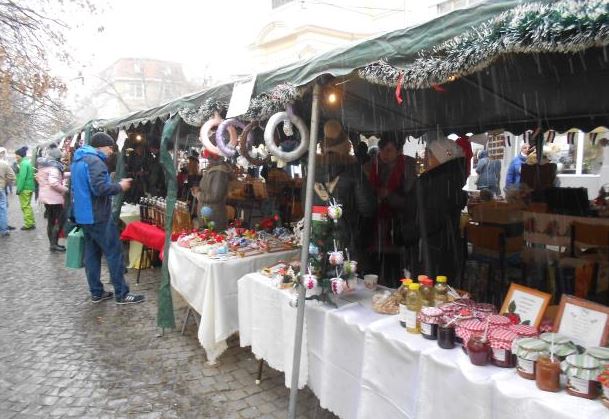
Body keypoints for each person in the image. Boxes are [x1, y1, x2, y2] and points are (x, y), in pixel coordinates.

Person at [71, 132, 144, 304]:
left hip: (83, 215)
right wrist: (120, 186)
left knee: (92, 255)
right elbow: (100, 189)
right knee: (114, 252)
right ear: (101, 146)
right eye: (110, 147)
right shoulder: (95, 161)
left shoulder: (78, 161)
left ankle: (96, 292)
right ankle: (122, 294)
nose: (111, 151)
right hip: (98, 215)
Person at [307, 120, 375, 270]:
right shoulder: (354, 170)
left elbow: (306, 206)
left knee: (316, 281)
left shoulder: (311, 171)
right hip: (346, 241)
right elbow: (368, 208)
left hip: (316, 241)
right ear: (346, 146)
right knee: (348, 286)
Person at [365, 136, 417, 287]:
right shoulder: (372, 166)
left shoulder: (408, 167)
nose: (384, 154)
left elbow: (410, 201)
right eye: (382, 150)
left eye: (389, 150)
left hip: (398, 225)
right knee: (376, 265)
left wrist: (389, 195)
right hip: (376, 225)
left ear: (399, 151)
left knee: (394, 268)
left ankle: (394, 290)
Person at [36, 147, 68, 251]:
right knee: (61, 220)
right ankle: (54, 244)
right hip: (54, 198)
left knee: (51, 221)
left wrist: (71, 174)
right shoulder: (54, 167)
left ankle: (52, 244)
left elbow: (54, 177)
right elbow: (54, 182)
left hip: (45, 197)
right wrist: (66, 190)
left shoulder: (44, 166)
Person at [198, 149, 233, 231]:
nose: (208, 160)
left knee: (213, 240)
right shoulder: (212, 171)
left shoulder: (219, 173)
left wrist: (198, 194)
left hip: (213, 217)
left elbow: (215, 196)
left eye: (209, 158)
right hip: (208, 215)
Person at [15, 146, 36, 230]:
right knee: (28, 206)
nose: (15, 157)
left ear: (20, 155)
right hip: (29, 187)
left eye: (16, 155)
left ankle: (28, 224)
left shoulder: (23, 164)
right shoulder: (27, 162)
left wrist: (18, 189)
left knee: (25, 206)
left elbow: (22, 178)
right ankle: (31, 222)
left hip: (24, 188)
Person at [0, 149, 16, 237]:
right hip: (0, 188)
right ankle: (4, 229)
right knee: (2, 209)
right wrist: (5, 183)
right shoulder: (4, 164)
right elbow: (12, 176)